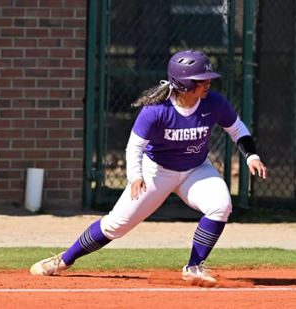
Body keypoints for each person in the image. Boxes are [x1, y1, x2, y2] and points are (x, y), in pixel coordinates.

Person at [29, 50, 268, 282]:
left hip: (196, 169)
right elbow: (134, 147)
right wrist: (135, 177)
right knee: (115, 225)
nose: (208, 84)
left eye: (208, 79)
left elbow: (237, 129)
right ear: (183, 84)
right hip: (157, 171)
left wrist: (251, 156)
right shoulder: (156, 110)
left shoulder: (214, 103)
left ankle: (194, 267)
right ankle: (64, 260)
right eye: (201, 80)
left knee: (221, 205)